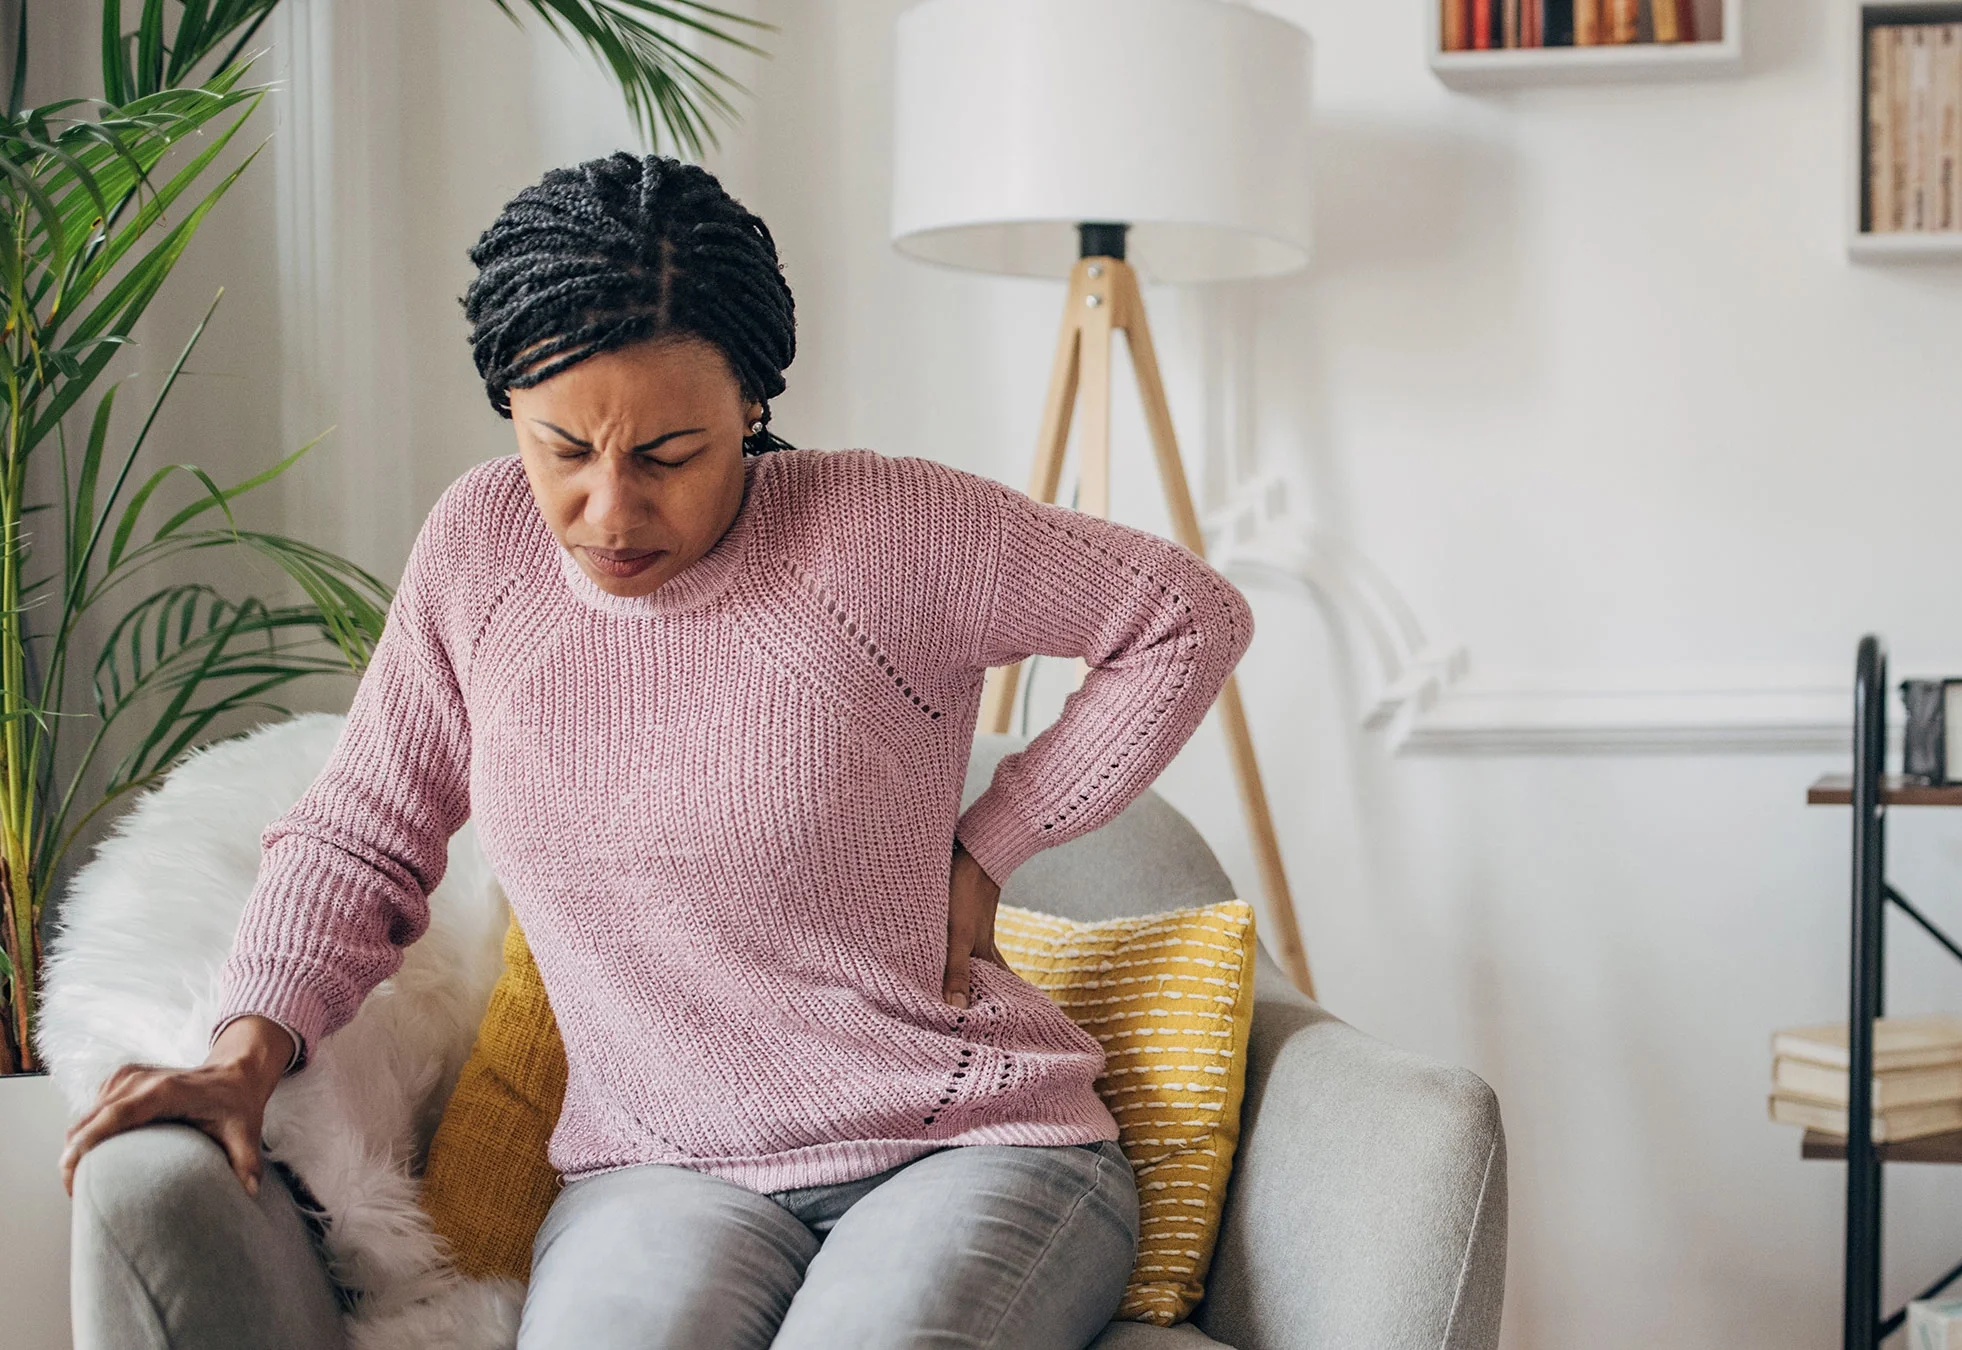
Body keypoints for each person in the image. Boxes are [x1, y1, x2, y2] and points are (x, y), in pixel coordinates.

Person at [55, 151, 1253, 1350]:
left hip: (971, 1149)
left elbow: (1184, 616)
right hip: (663, 1171)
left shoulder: (887, 533)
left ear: (752, 407)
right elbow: (364, 830)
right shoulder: (477, 553)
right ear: (510, 410)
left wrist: (997, 837)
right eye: (563, 449)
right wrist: (245, 1048)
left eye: (669, 454)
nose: (611, 511)